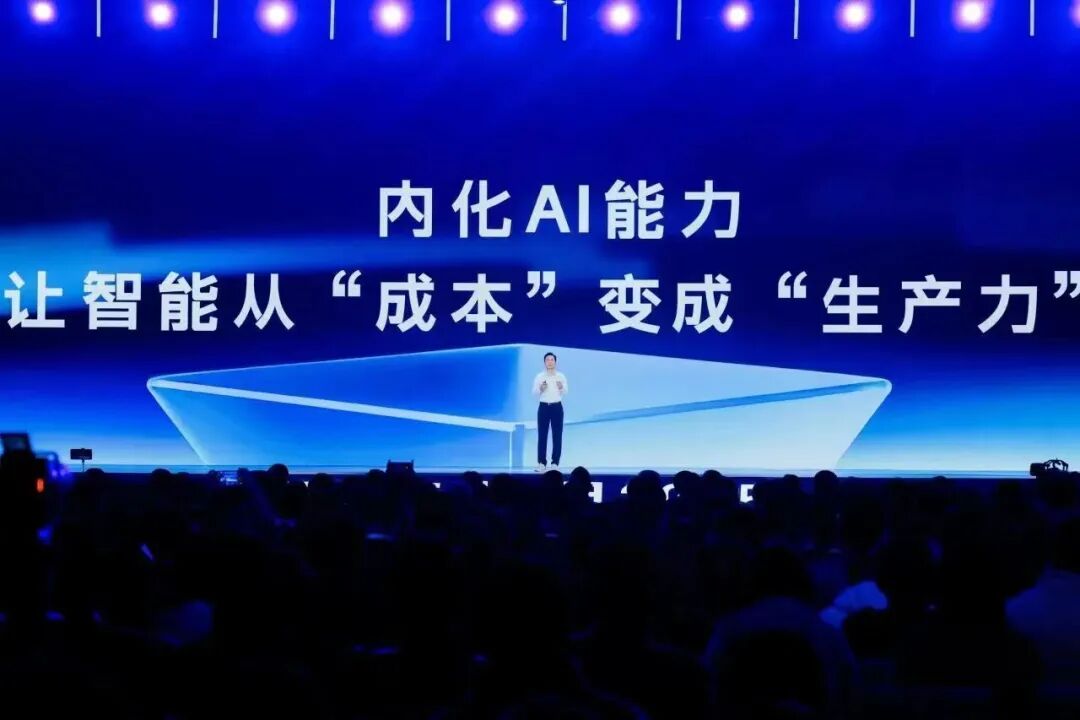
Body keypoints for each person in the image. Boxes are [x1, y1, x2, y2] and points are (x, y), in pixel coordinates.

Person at [532, 352, 567, 472]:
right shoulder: (540, 376)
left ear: (555, 362)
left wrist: (561, 387)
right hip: (544, 407)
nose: (550, 362)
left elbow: (566, 391)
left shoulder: (561, 376)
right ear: (544, 362)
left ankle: (555, 463)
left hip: (557, 407)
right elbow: (534, 392)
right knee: (542, 435)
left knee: (557, 435)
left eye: (552, 360)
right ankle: (542, 463)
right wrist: (540, 388)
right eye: (548, 360)